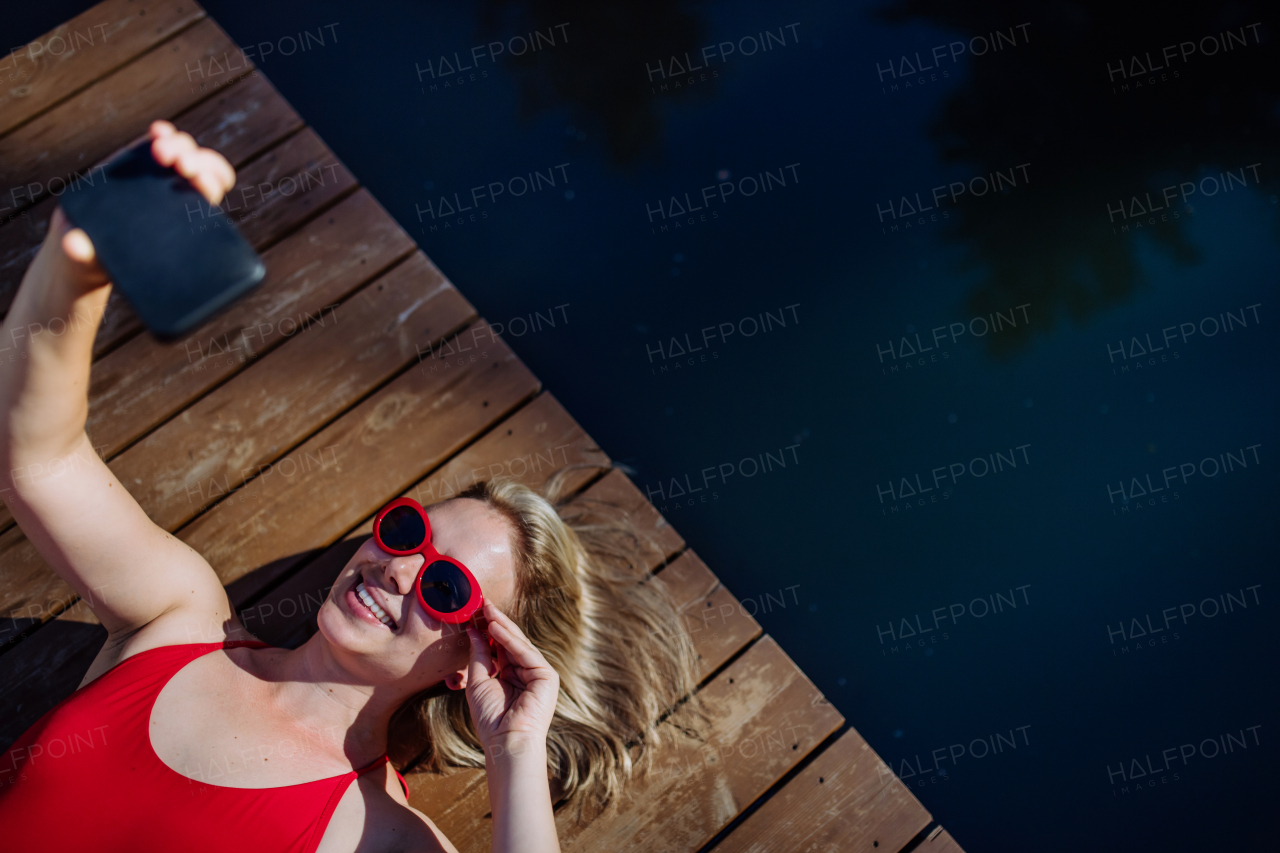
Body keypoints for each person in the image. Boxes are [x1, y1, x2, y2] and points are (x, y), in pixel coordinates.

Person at [0, 122, 699, 852]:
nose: (397, 567)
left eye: (448, 586)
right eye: (407, 533)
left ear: (475, 663)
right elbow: (38, 461)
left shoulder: (381, 832)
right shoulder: (177, 617)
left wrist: (515, 752)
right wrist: (71, 268)